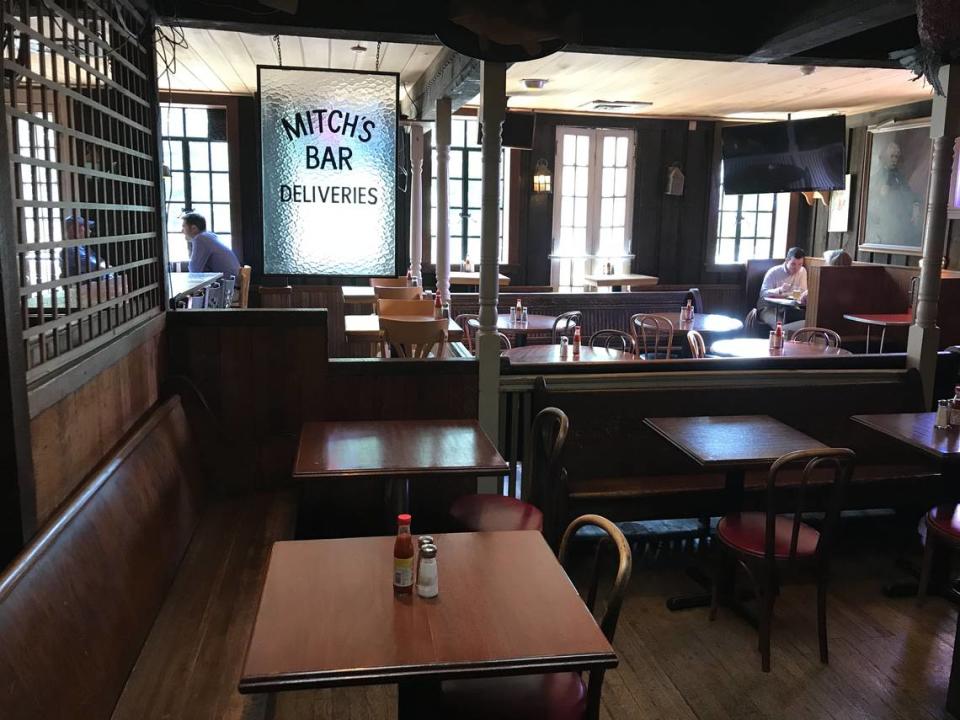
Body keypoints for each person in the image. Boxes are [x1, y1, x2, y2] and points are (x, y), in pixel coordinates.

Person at [757, 247, 808, 329]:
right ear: (787, 260)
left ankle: (788, 337)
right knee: (780, 325)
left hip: (790, 308)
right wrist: (779, 290)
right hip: (768, 308)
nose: (797, 268)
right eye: (793, 264)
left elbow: (802, 293)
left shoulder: (802, 271)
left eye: (800, 264)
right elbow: (763, 294)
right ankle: (781, 337)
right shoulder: (773, 272)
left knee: (807, 321)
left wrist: (801, 295)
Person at [182, 212, 240, 277]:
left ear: (194, 228)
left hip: (227, 284)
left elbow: (194, 270)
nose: (182, 230)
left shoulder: (200, 239)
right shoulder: (210, 235)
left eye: (184, 226)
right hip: (232, 281)